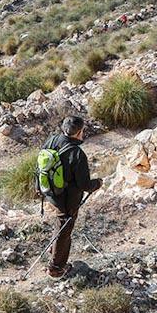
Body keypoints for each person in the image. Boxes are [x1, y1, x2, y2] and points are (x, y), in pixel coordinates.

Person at [39, 116, 104, 278]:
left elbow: (40, 166)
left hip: (51, 194)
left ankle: (54, 250)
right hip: (68, 199)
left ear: (63, 129)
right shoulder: (77, 154)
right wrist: (98, 183)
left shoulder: (52, 141)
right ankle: (56, 268)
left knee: (60, 223)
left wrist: (39, 188)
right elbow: (85, 185)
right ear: (79, 132)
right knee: (64, 228)